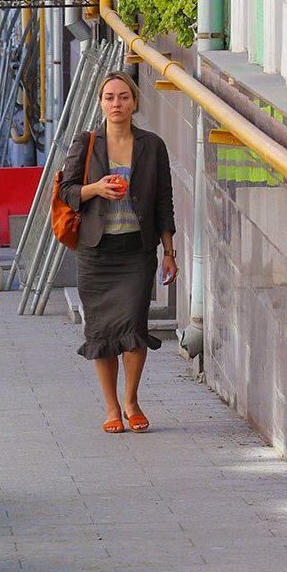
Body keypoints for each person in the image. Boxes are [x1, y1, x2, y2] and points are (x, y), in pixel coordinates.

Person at [59, 71, 177, 434]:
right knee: (101, 332)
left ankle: (132, 401)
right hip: (96, 253)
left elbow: (163, 201)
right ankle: (111, 408)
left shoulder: (152, 144)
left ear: (135, 102)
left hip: (136, 251)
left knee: (134, 327)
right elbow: (67, 190)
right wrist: (95, 188)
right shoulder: (88, 141)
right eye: (109, 97)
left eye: (123, 97)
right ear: (100, 102)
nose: (116, 104)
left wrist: (169, 251)